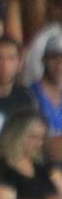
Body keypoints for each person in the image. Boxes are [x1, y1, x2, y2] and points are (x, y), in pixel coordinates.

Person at [32, 35, 62, 164]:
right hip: (40, 163)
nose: (59, 65)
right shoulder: (28, 94)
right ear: (44, 60)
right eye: (54, 58)